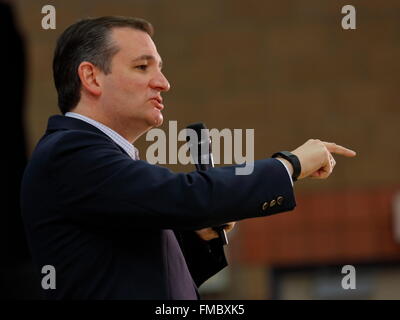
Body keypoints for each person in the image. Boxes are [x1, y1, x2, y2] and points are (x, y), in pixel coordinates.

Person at [20, 16, 356, 300]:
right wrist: (289, 165)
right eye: (142, 67)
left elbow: (140, 278)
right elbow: (187, 195)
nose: (163, 83)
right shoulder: (70, 153)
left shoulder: (91, 157)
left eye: (160, 69)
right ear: (91, 77)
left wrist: (197, 237)